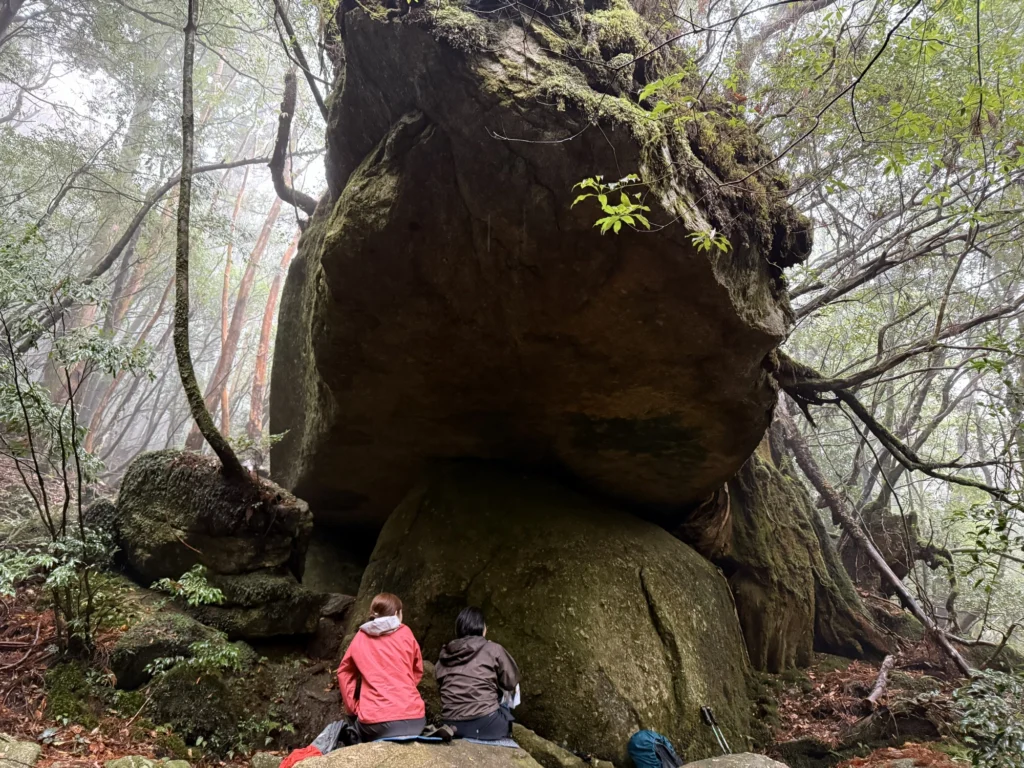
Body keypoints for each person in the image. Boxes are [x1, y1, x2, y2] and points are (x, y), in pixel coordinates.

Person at [337, 592, 426, 741]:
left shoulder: (361, 637)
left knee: (352, 728)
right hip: (415, 720)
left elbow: (344, 672)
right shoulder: (406, 633)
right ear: (397, 613)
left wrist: (353, 708)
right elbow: (417, 669)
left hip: (376, 724)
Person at [434, 606, 520, 740]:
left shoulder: (445, 655)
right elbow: (511, 681)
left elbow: (440, 685)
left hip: (451, 723)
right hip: (486, 724)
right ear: (482, 628)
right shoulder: (493, 649)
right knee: (504, 698)